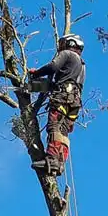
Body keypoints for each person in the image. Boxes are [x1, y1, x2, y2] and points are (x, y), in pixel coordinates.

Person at [29, 34, 86, 176]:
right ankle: (59, 163)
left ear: (70, 43)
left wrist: (36, 73)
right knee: (63, 132)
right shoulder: (81, 65)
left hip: (63, 97)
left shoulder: (67, 54)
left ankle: (52, 158)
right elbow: (56, 85)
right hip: (74, 102)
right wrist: (33, 87)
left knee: (54, 126)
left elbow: (53, 67)